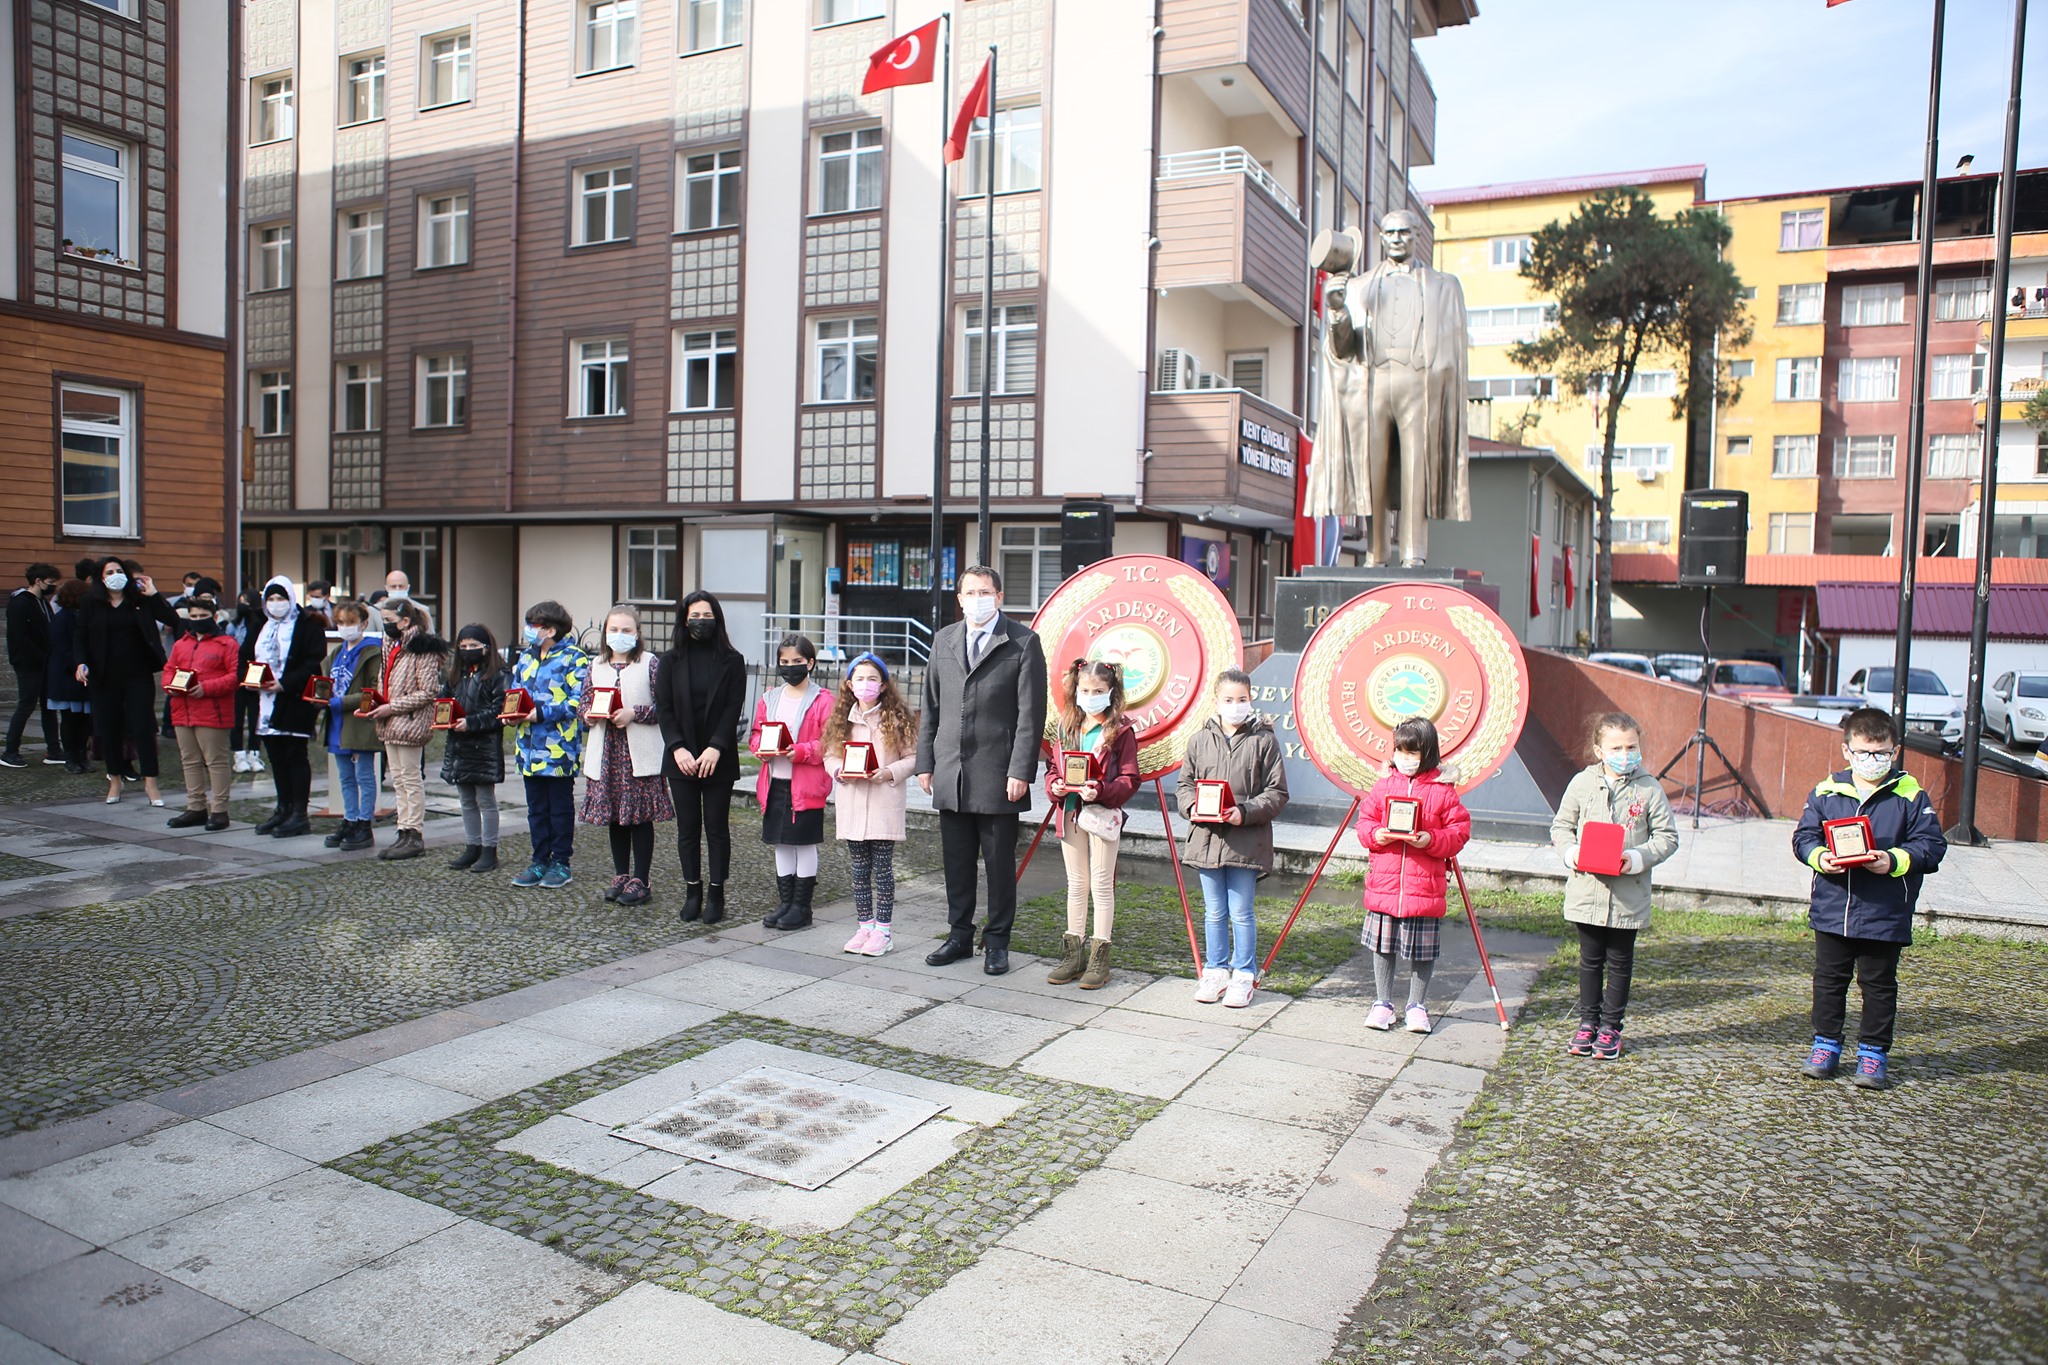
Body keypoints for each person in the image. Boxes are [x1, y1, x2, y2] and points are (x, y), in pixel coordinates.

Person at [1790, 708, 1947, 1090]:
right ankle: (1825, 1045)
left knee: (1878, 985)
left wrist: (1894, 860)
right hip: (1833, 910)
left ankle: (1873, 1053)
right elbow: (1803, 837)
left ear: (1895, 752)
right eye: (1863, 752)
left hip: (1885, 912)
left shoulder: (1911, 795)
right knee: (1828, 981)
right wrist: (1819, 857)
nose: (1872, 761)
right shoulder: (1826, 790)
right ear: (1847, 751)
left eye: (1881, 753)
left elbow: (1931, 847)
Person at [915, 565, 1049, 976]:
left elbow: (1031, 714)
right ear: (959, 598)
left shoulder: (1023, 642)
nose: (977, 598)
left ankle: (997, 941)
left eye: (984, 591)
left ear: (999, 595)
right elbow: (931, 707)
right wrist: (925, 762)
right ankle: (959, 935)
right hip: (951, 770)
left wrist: (1021, 770)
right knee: (956, 861)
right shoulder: (944, 640)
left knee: (998, 864)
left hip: (998, 771)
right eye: (969, 592)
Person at [1548, 712, 1679, 1061]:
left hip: (1627, 895)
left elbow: (1667, 837)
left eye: (1631, 746)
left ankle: (1611, 1027)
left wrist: (1636, 858)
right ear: (1598, 750)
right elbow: (1561, 827)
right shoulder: (1581, 783)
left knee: (1620, 961)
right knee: (1590, 961)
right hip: (1586, 892)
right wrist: (1571, 853)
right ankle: (1587, 1022)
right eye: (1616, 747)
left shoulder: (1649, 787)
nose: (1625, 753)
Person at [1181, 668, 1290, 1007]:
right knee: (1214, 912)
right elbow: (1184, 786)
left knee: (1241, 911)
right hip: (1206, 839)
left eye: (1242, 699)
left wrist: (1245, 811)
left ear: (1250, 700)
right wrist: (1192, 807)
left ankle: (1244, 974)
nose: (1235, 705)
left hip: (1246, 842)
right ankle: (1215, 972)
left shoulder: (1264, 741)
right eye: (1228, 700)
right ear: (1216, 701)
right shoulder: (1200, 740)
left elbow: (1277, 792)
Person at [1356, 718, 1472, 1034]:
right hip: (1385, 883)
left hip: (1424, 886)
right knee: (1383, 946)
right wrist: (1376, 834)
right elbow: (1363, 823)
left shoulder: (1443, 792)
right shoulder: (1382, 787)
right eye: (1401, 751)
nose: (1406, 758)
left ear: (1429, 753)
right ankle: (1382, 1003)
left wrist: (1431, 840)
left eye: (1414, 752)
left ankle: (1416, 1006)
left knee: (1422, 949)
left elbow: (1459, 831)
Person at [1041, 659, 1139, 989]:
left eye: (1098, 691)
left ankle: (1100, 957)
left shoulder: (1121, 731)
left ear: (1111, 693)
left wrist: (1102, 790)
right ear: (1076, 690)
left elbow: (1129, 779)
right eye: (1085, 690)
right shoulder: (1066, 727)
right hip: (1069, 812)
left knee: (1100, 884)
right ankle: (1073, 954)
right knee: (1076, 884)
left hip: (1101, 815)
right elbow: (1053, 768)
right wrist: (1053, 785)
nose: (1091, 696)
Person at [655, 590, 747, 924]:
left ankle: (716, 893)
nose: (701, 622)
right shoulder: (669, 661)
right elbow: (664, 709)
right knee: (688, 829)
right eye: (695, 615)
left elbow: (732, 707)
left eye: (708, 616)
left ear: (717, 620)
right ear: (684, 619)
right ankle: (692, 891)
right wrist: (678, 747)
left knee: (718, 829)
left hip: (717, 757)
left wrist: (716, 746)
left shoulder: (732, 661)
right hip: (681, 758)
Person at [823, 652, 918, 956]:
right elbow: (830, 755)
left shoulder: (895, 719)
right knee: (859, 869)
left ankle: (884, 931)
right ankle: (864, 926)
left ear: (884, 685)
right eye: (860, 679)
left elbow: (912, 758)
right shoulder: (842, 721)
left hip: (883, 803)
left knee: (883, 870)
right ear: (849, 684)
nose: (866, 685)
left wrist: (889, 772)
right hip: (853, 803)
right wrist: (838, 770)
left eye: (873, 679)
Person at [580, 606, 672, 906]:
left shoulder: (650, 664)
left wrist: (635, 713)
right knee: (615, 818)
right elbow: (583, 704)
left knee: (639, 817)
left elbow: (665, 707)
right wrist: (590, 716)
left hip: (638, 753)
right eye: (614, 630)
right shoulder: (596, 665)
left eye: (626, 630)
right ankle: (621, 874)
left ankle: (641, 879)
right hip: (607, 752)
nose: (619, 636)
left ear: (637, 633)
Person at [76, 558, 180, 805]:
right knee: (109, 728)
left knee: (143, 727)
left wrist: (154, 594)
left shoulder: (140, 600)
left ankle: (151, 783)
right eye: (109, 572)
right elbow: (80, 636)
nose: (115, 575)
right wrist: (80, 662)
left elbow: (173, 619)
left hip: (138, 674)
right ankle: (115, 779)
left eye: (119, 571)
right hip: (104, 675)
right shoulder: (92, 602)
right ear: (101, 578)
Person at [753, 633, 834, 931]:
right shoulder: (769, 698)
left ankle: (803, 907)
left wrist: (801, 751)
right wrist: (759, 748)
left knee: (804, 843)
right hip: (774, 781)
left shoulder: (824, 700)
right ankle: (785, 903)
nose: (790, 667)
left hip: (806, 785)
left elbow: (830, 742)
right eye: (784, 662)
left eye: (797, 662)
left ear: (810, 663)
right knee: (781, 844)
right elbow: (756, 732)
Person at [509, 600, 589, 888]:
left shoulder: (574, 658)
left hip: (558, 749)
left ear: (550, 629)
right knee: (536, 809)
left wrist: (540, 713)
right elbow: (515, 692)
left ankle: (561, 862)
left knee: (559, 808)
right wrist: (511, 713)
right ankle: (539, 860)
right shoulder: (526, 658)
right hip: (528, 748)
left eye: (534, 626)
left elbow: (577, 701)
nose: (528, 631)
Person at [242, 576, 329, 837]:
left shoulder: (307, 625)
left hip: (292, 699)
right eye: (271, 599)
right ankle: (283, 807)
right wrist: (248, 678)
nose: (276, 604)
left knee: (294, 755)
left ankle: (299, 814)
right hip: (264, 700)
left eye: (281, 598)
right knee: (276, 756)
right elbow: (245, 655)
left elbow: (313, 662)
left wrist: (285, 683)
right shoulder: (260, 624)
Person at [366, 598, 447, 860]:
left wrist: (392, 706)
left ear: (405, 621)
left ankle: (414, 833)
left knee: (411, 779)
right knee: (398, 779)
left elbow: (428, 690)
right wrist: (376, 704)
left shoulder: (422, 648)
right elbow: (385, 681)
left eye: (389, 621)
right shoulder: (391, 645)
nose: (385, 625)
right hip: (390, 720)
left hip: (409, 721)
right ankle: (403, 829)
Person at [161, 585, 240, 831]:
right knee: (190, 760)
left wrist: (207, 688)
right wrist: (169, 687)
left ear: (214, 616)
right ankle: (195, 807)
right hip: (182, 709)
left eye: (201, 616)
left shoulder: (227, 644)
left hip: (212, 710)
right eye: (192, 617)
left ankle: (219, 810)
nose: (196, 621)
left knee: (215, 761)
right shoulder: (181, 645)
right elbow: (169, 670)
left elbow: (235, 676)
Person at [441, 623, 508, 872]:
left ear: (486, 648)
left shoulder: (498, 674)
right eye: (464, 646)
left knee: (485, 800)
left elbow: (499, 710)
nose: (468, 650)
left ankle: (490, 850)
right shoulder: (456, 674)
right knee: (466, 800)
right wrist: (444, 717)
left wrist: (471, 723)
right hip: (460, 745)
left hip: (483, 746)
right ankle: (473, 846)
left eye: (474, 646)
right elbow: (445, 700)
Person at [324, 600, 384, 852]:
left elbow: (372, 690)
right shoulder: (337, 653)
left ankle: (363, 823)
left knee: (364, 776)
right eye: (340, 623)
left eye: (350, 623)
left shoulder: (371, 651)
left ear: (363, 623)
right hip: (338, 722)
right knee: (345, 777)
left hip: (358, 720)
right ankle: (349, 819)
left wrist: (340, 701)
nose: (345, 628)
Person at [3, 563, 63, 768]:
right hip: (29, 664)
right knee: (26, 705)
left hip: (45, 661)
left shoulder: (42, 602)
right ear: (38, 581)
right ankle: (10, 751)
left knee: (49, 707)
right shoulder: (21, 603)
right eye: (51, 583)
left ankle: (54, 750)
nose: (53, 587)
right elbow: (20, 638)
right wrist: (42, 657)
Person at [45, 578, 92, 774]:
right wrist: (79, 665)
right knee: (70, 719)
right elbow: (61, 649)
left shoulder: (86, 618)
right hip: (67, 677)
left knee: (84, 720)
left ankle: (82, 756)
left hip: (84, 676)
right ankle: (71, 757)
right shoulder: (62, 618)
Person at [229, 589, 266, 773]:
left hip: (255, 674)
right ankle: (238, 754)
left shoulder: (260, 623)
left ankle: (254, 752)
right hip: (236, 675)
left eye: (246, 601)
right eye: (240, 601)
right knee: (236, 718)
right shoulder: (232, 625)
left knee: (254, 717)